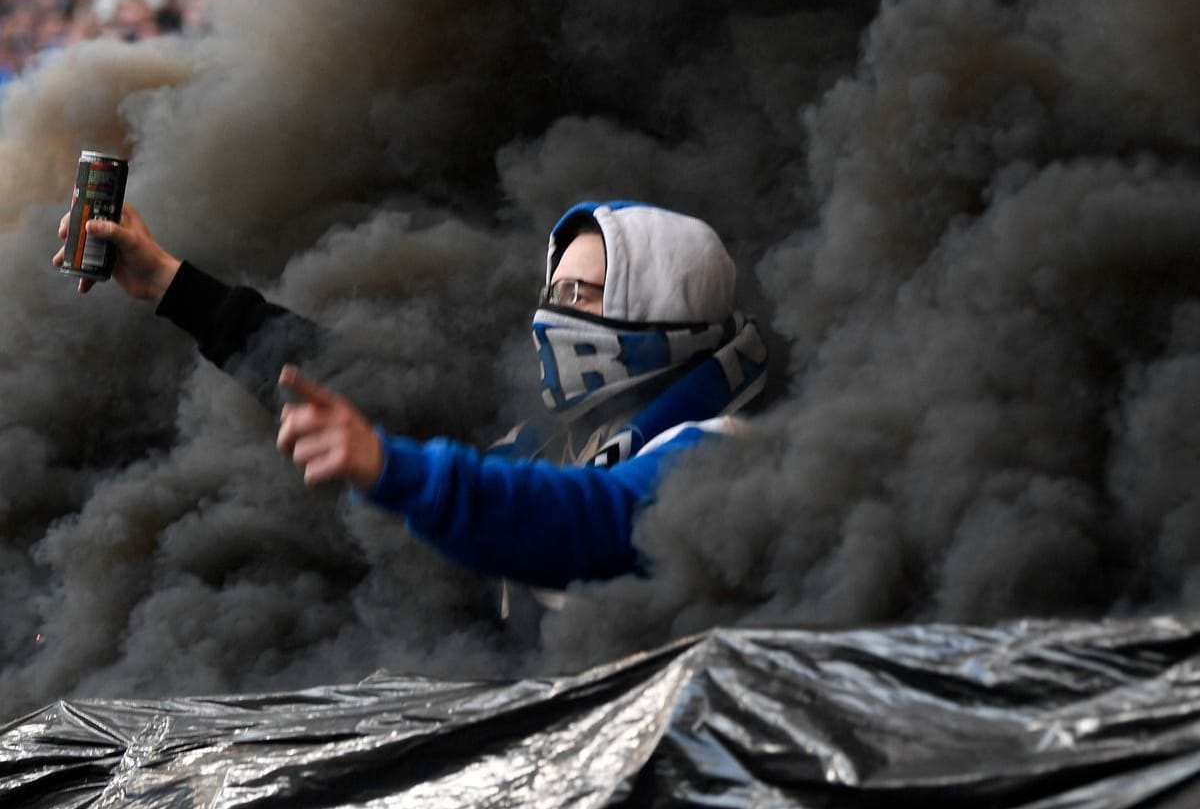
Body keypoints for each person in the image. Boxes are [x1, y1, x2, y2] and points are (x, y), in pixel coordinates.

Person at [54, 200, 769, 592]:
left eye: (579, 294)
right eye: (550, 293)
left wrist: (397, 471)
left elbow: (593, 521)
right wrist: (167, 285)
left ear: (661, 310)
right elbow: (347, 383)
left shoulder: (718, 451)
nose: (553, 316)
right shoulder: (554, 431)